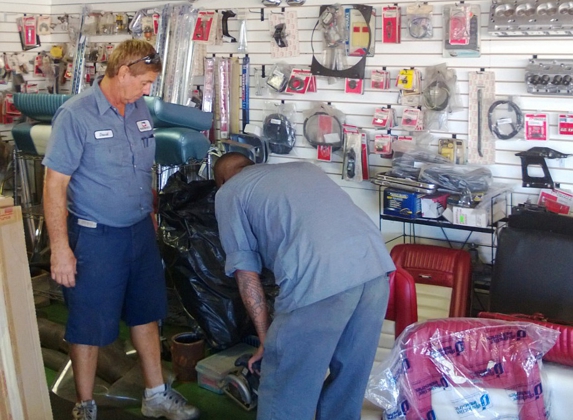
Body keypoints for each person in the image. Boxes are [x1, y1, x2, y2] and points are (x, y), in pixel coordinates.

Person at [42, 39, 199, 420]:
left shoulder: (138, 108)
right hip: (95, 236)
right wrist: (60, 248)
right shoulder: (76, 115)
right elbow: (53, 185)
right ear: (123, 71)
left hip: (138, 231)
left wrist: (148, 216)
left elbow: (137, 170)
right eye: (144, 81)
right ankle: (85, 405)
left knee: (147, 313)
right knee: (88, 324)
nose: (148, 90)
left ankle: (156, 395)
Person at [213, 152, 395, 420]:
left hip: (320, 279)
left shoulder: (229, 192)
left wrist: (266, 341)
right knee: (348, 384)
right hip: (375, 268)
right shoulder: (303, 168)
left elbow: (246, 274)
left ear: (221, 180)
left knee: (285, 386)